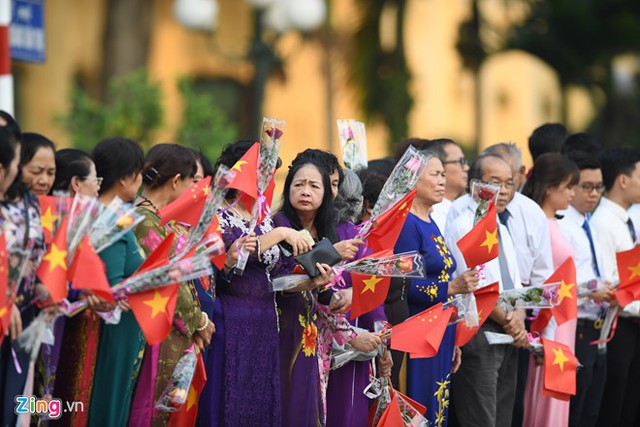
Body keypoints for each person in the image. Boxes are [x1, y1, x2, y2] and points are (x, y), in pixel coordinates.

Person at [202, 140, 314, 426]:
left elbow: (279, 276)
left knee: (261, 398)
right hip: (231, 316)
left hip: (265, 320)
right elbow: (229, 261)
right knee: (230, 394)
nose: (266, 180)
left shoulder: (263, 219)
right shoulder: (217, 213)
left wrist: (311, 281)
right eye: (261, 172)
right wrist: (280, 234)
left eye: (270, 174)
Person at [273, 158, 374, 427]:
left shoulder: (327, 230)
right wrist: (332, 254)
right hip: (282, 329)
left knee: (312, 408)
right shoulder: (278, 225)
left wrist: (340, 298)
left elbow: (322, 290)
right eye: (299, 184)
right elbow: (283, 276)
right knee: (287, 406)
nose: (306, 191)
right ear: (287, 188)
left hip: (312, 333)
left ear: (328, 194)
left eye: (314, 186)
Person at [384, 152, 478, 427]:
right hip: (417, 332)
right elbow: (403, 284)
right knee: (421, 406)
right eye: (434, 174)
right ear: (413, 180)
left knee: (439, 408)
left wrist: (452, 335)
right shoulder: (407, 224)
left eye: (442, 174)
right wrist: (451, 287)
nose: (442, 180)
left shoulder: (430, 220)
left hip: (440, 330)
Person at [127, 143, 215, 426]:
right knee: (152, 407)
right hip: (157, 328)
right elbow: (166, 279)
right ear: (177, 181)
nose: (195, 189)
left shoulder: (152, 217)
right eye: (192, 181)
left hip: (167, 324)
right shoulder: (145, 221)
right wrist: (198, 321)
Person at [447, 154, 526, 427]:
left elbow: (513, 282)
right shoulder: (464, 226)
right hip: (479, 329)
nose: (503, 190)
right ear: (475, 184)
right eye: (495, 182)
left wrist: (519, 317)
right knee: (480, 418)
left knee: (503, 417)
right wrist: (508, 319)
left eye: (509, 183)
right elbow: (473, 286)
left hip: (508, 329)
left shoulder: (504, 226)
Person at [83, 137, 145, 426]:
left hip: (126, 327)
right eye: (139, 172)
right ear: (125, 177)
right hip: (114, 329)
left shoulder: (118, 217)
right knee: (108, 403)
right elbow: (111, 286)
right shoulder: (108, 222)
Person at [520, 153, 579, 427]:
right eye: (568, 186)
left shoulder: (556, 222)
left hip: (563, 317)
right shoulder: (537, 223)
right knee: (545, 390)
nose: (573, 193)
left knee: (559, 391)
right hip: (547, 319)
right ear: (549, 187)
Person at [557, 151, 610, 427]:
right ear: (571, 186)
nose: (593, 194)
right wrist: (591, 291)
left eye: (598, 188)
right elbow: (559, 283)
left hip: (598, 323)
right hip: (576, 324)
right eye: (586, 187)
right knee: (576, 408)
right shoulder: (564, 227)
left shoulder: (587, 223)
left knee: (592, 408)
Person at [0, 123, 47, 426]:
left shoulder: (28, 204)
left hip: (21, 314)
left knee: (15, 403)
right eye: (19, 163)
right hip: (9, 309)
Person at [593, 148, 640, 426]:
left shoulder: (625, 220)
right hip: (617, 327)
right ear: (623, 180)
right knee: (614, 406)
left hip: (632, 324)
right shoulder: (603, 223)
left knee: (629, 406)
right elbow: (610, 282)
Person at [426, 138, 469, 232]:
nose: (466, 168)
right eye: (460, 162)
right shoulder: (433, 212)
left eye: (465, 162)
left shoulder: (462, 208)